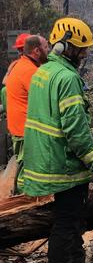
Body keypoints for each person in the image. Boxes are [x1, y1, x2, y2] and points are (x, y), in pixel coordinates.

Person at [20, 17, 93, 263]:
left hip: (45, 160)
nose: (85, 54)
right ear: (66, 48)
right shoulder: (67, 78)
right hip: (63, 165)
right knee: (68, 222)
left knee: (70, 219)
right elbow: (76, 131)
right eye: (82, 49)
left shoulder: (44, 72)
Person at [5, 35, 49, 173]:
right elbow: (46, 98)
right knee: (29, 172)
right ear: (36, 51)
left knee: (26, 169)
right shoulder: (29, 71)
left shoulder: (20, 66)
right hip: (26, 131)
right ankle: (25, 194)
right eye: (46, 47)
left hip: (20, 128)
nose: (49, 51)